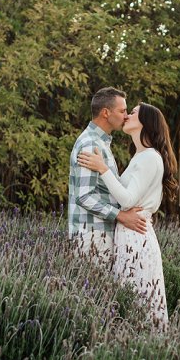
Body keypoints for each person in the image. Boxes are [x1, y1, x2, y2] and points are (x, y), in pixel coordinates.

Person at [77, 102, 179, 329]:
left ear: (145, 123)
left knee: (139, 302)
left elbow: (127, 199)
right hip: (129, 235)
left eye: (132, 112)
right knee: (128, 301)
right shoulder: (140, 157)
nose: (127, 115)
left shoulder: (150, 157)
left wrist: (102, 169)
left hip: (137, 237)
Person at [68, 88, 149, 267]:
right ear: (106, 112)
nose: (126, 116)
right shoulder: (90, 144)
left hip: (100, 234)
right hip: (91, 237)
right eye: (122, 111)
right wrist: (121, 215)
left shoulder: (101, 142)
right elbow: (83, 196)